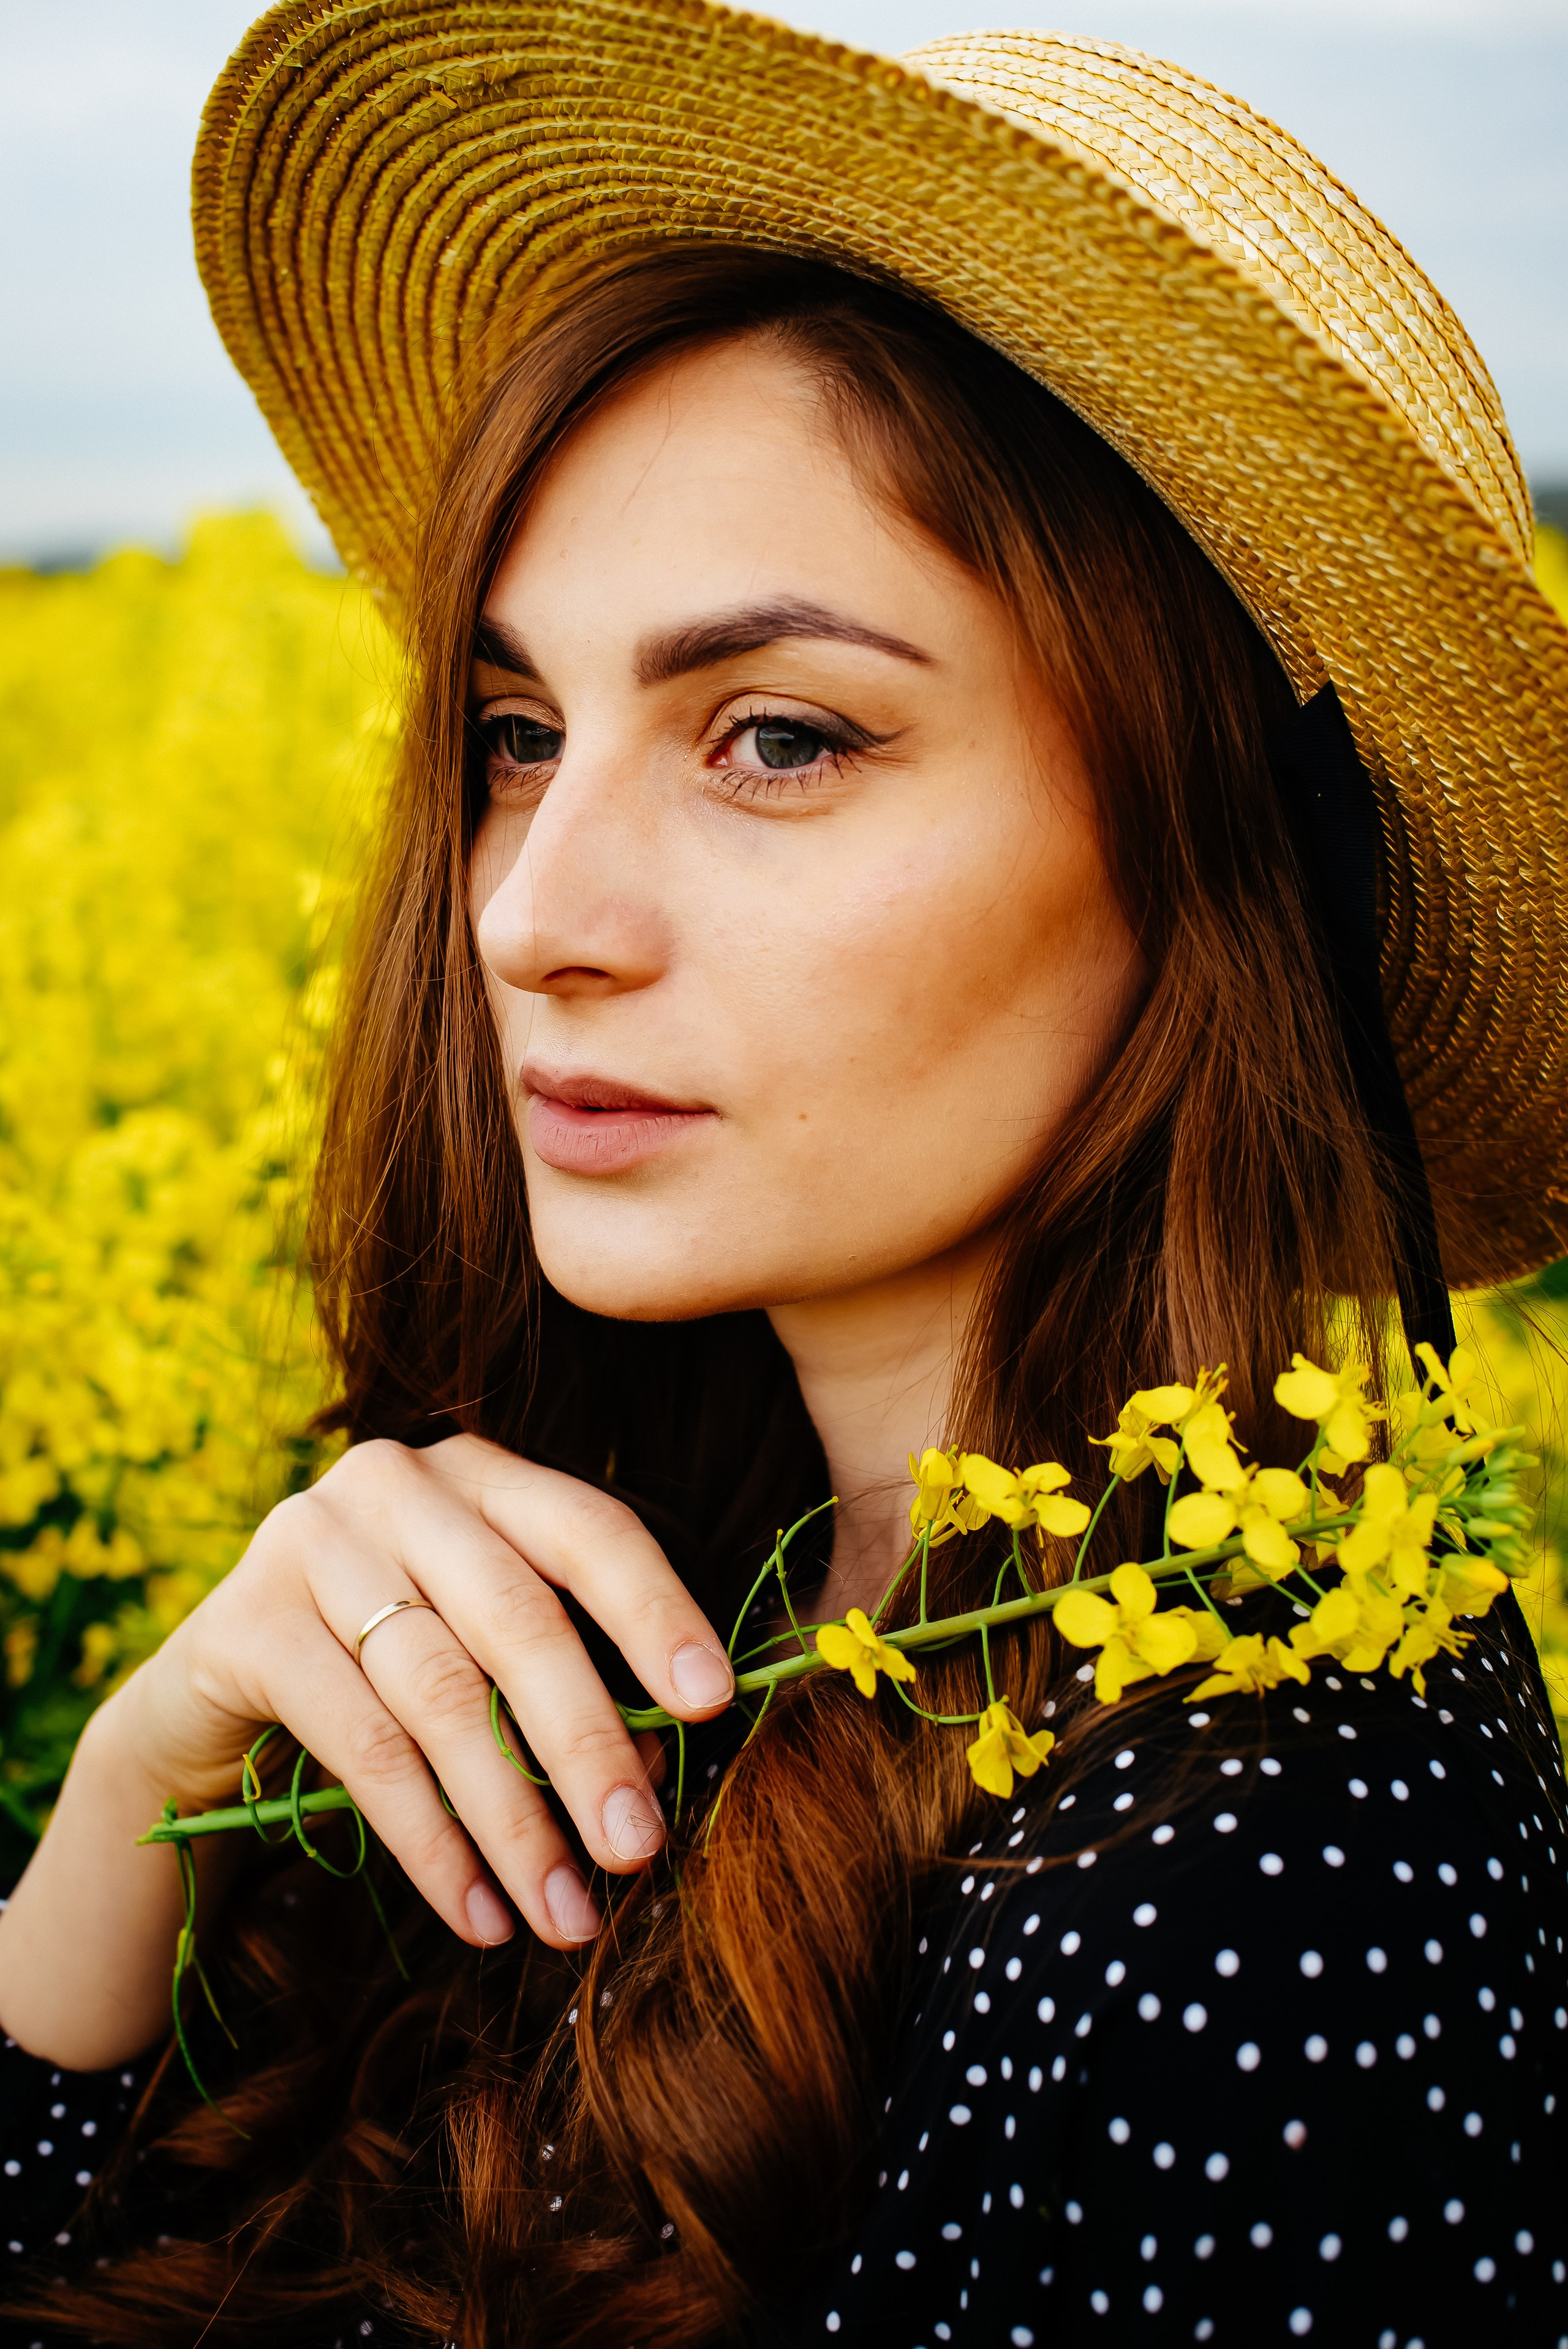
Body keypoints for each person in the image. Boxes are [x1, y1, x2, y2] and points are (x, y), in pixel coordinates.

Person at [2, 4, 1566, 2343]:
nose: (529, 919)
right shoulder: (649, 1593)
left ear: (1211, 855)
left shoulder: (1273, 1895)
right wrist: (127, 1811)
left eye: (782, 736)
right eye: (519, 736)